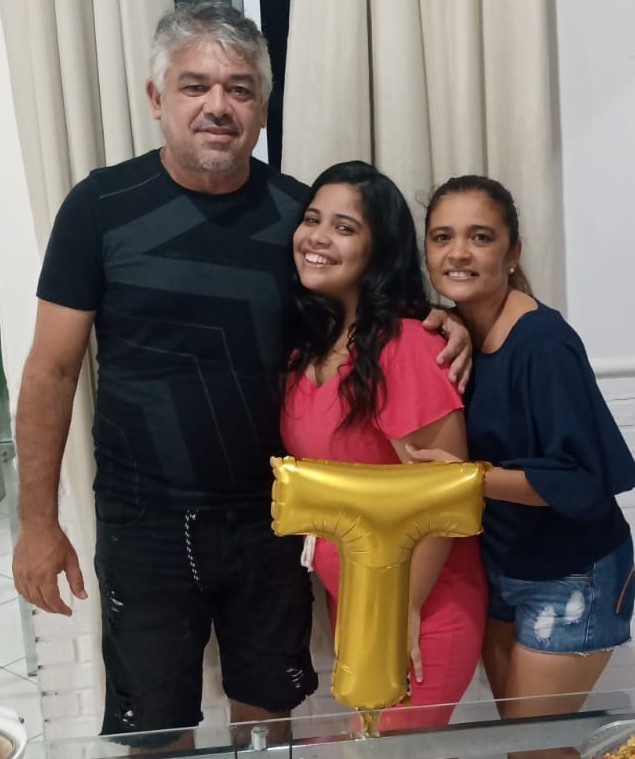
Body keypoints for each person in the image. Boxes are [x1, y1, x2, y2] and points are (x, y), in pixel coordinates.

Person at [11, 1, 471, 745]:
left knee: (268, 721)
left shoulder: (296, 218)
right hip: (142, 522)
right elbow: (51, 370)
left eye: (240, 88)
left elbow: (366, 306)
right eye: (195, 86)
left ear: (262, 108)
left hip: (272, 516)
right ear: (157, 97)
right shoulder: (98, 208)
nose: (218, 106)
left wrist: (446, 318)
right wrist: (37, 522)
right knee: (152, 729)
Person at [411, 175, 635, 753]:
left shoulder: (542, 342)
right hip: (505, 568)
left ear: (512, 253)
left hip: (573, 572)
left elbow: (580, 478)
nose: (458, 252)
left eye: (480, 237)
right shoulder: (454, 330)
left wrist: (467, 478)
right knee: (526, 745)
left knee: (533, 749)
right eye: (442, 237)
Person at [281, 161, 488, 729]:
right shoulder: (307, 349)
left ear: (379, 249)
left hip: (419, 607)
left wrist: (402, 611)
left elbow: (442, 498)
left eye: (344, 227)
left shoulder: (405, 347)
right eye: (312, 220)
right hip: (355, 601)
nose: (318, 237)